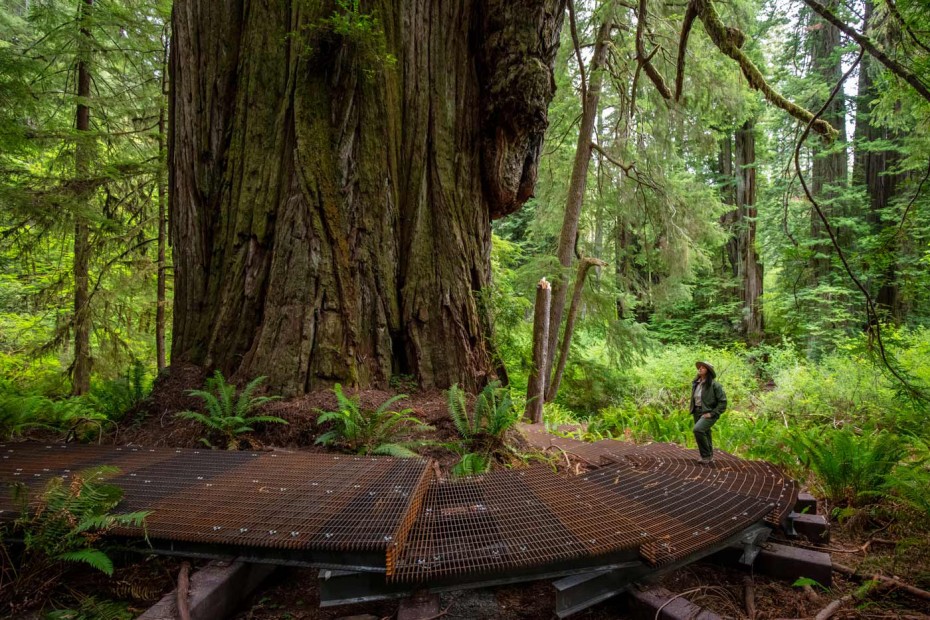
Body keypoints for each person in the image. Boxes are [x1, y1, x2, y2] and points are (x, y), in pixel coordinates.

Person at [690, 361, 727, 463]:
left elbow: (723, 403)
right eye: (700, 367)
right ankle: (709, 456)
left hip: (708, 412)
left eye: (703, 368)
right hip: (697, 411)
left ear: (708, 371)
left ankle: (705, 456)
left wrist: (712, 413)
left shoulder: (715, 385)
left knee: (698, 430)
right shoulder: (696, 383)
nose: (700, 369)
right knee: (705, 432)